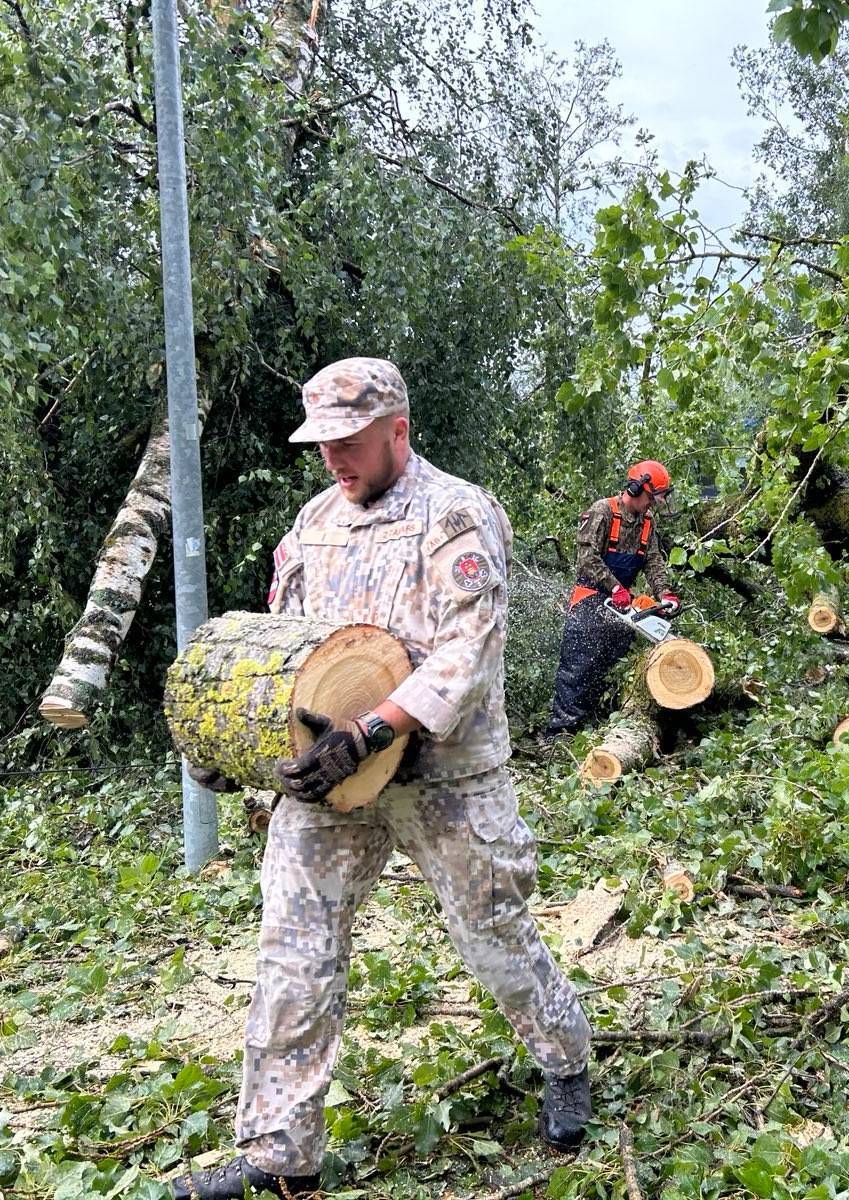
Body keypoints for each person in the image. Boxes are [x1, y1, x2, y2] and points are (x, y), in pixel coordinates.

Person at [172, 359, 592, 1200]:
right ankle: (279, 1156)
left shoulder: (456, 514)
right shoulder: (314, 522)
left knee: (493, 934)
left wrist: (374, 728)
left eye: (350, 441)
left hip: (444, 772)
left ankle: (566, 1059)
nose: (334, 459)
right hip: (332, 781)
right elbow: (281, 654)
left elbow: (468, 651)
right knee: (295, 950)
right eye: (321, 443)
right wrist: (240, 746)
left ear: (397, 429)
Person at [544, 461, 680, 738]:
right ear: (637, 487)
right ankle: (559, 733)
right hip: (590, 596)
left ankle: (598, 728)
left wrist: (664, 594)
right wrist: (614, 587)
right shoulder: (603, 512)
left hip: (622, 603)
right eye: (654, 498)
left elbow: (652, 561)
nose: (654, 504)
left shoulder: (647, 522)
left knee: (613, 662)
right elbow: (587, 559)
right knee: (579, 666)